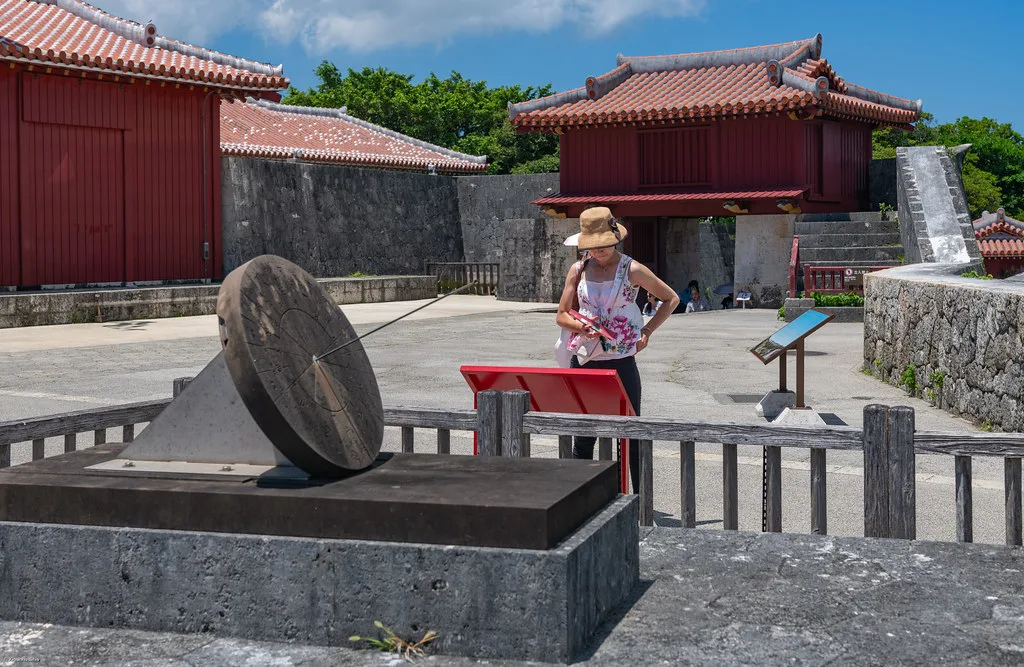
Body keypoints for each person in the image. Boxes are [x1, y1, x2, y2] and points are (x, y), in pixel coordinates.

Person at [556, 207, 680, 493]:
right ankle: (581, 498)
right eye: (592, 246)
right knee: (584, 435)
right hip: (585, 358)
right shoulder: (578, 270)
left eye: (604, 245)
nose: (598, 251)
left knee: (631, 432)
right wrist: (581, 327)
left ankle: (639, 501)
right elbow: (562, 314)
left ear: (615, 239)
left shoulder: (631, 269)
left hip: (621, 359)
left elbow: (670, 298)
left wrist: (647, 330)